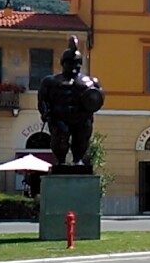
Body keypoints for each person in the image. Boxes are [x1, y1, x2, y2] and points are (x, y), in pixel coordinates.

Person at [37, 36, 105, 166]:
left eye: (77, 62)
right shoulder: (51, 81)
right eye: (71, 63)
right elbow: (42, 99)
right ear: (63, 63)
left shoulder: (91, 82)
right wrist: (45, 112)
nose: (74, 66)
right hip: (60, 117)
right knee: (60, 138)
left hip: (82, 117)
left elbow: (99, 98)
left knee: (81, 138)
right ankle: (60, 161)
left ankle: (78, 159)